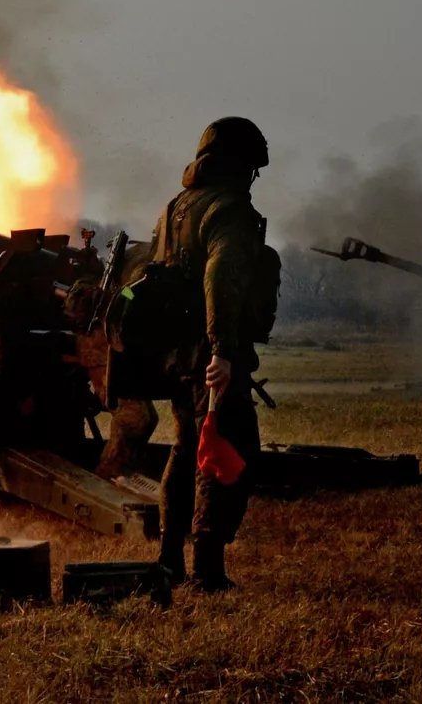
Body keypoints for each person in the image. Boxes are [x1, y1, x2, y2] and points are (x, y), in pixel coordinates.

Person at [153, 117, 272, 592]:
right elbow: (219, 279)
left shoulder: (177, 207)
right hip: (211, 352)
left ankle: (168, 559)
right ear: (240, 164)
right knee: (227, 451)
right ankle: (206, 570)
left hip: (177, 354)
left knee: (187, 449)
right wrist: (223, 352)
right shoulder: (228, 210)